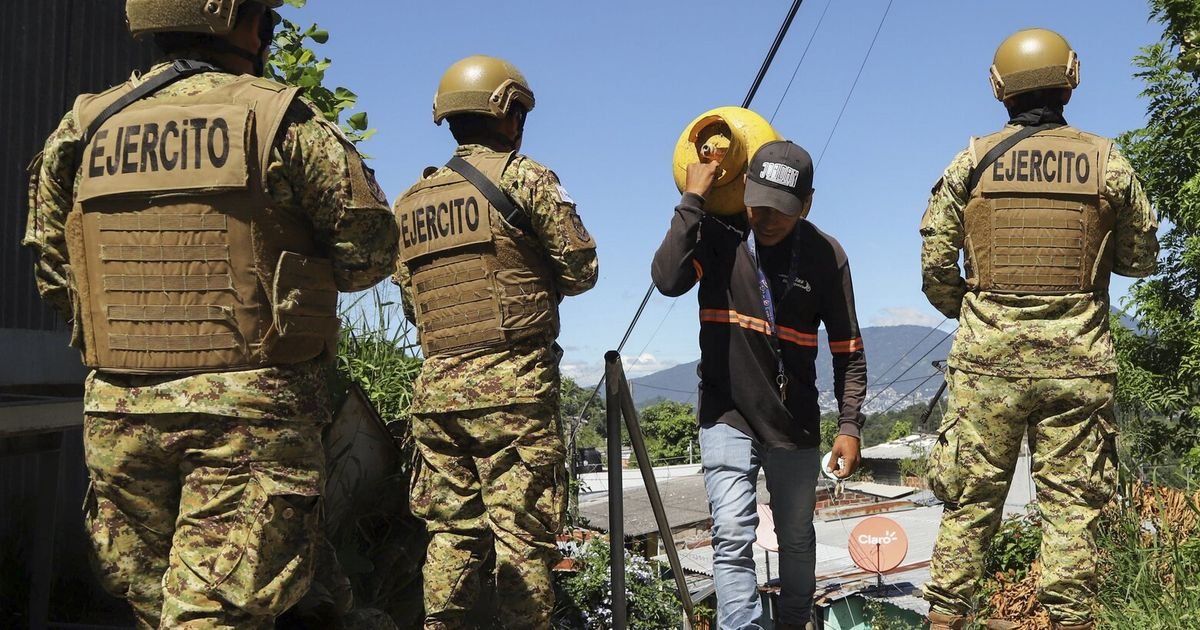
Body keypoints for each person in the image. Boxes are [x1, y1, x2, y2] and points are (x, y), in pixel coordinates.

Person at [22, 0, 399, 627]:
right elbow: (369, 252)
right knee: (214, 614)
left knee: (166, 606)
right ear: (238, 20)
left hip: (120, 415)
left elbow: (53, 269)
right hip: (248, 417)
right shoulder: (278, 117)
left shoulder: (83, 128)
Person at [919, 28, 1159, 630]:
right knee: (1073, 506)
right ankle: (1073, 620)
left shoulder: (970, 162)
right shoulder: (1108, 161)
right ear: (1070, 78)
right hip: (1078, 362)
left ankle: (947, 617)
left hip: (986, 364)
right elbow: (1141, 257)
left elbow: (935, 262)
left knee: (970, 502)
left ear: (998, 87)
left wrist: (974, 316)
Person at [391, 54, 599, 630]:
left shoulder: (411, 201)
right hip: (514, 392)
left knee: (451, 535)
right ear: (509, 110)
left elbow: (413, 303)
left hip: (436, 394)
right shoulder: (525, 177)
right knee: (521, 537)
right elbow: (581, 270)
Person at [652, 140, 867, 630]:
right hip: (726, 415)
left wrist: (850, 424)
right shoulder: (716, 236)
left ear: (806, 204)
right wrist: (692, 200)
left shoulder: (825, 256)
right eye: (758, 202)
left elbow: (849, 350)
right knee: (731, 532)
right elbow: (666, 279)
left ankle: (793, 623)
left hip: (794, 424)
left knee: (795, 536)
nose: (765, 218)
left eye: (781, 210)